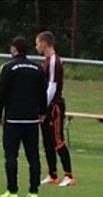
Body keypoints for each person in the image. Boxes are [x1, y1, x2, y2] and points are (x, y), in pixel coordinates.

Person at [0, 36, 46, 197]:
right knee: (33, 156)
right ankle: (33, 191)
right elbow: (42, 93)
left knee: (11, 155)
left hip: (13, 119)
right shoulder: (37, 68)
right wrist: (42, 112)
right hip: (31, 119)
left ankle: (12, 190)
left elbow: (1, 92)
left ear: (14, 49)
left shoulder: (8, 68)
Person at [35, 31, 75, 188]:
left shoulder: (53, 61)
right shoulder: (46, 61)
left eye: (38, 43)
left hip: (54, 107)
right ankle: (52, 174)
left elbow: (52, 87)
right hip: (47, 107)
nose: (36, 46)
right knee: (46, 140)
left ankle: (69, 175)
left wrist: (42, 106)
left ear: (44, 43)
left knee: (57, 139)